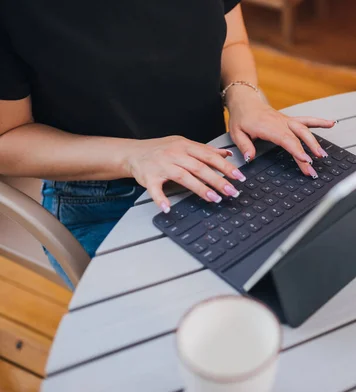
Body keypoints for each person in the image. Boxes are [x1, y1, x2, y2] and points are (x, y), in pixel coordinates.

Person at [0, 1, 335, 288]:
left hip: (220, 164)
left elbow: (230, 41)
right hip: (104, 199)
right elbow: (7, 139)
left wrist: (243, 96)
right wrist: (133, 156)